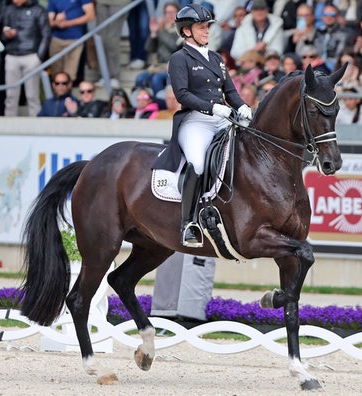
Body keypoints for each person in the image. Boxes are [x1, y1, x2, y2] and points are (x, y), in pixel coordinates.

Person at [151, 4, 252, 248]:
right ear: (186, 31)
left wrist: (242, 106)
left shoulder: (216, 58)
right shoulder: (179, 58)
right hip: (195, 121)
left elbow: (230, 91)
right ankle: (188, 223)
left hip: (222, 120)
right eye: (201, 27)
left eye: (207, 26)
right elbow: (183, 95)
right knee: (196, 163)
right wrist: (212, 107)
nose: (206, 31)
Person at [1, 0, 50, 117]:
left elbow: (46, 34)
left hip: (31, 56)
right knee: (10, 95)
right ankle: (8, 125)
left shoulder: (38, 10)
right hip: (12, 55)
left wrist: (39, 57)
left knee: (32, 95)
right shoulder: (9, 9)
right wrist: (7, 35)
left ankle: (36, 126)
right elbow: (2, 34)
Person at [134, 2, 182, 99]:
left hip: (172, 68)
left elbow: (173, 46)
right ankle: (143, 102)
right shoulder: (162, 30)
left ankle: (159, 104)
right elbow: (149, 48)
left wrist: (160, 31)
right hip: (158, 66)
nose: (170, 15)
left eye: (173, 12)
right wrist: (153, 33)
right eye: (167, 12)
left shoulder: (181, 30)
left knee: (156, 79)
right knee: (140, 78)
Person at [47, 0, 95, 81]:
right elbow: (49, 22)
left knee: (69, 76)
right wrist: (57, 22)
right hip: (56, 40)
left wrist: (68, 23)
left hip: (75, 40)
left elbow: (91, 16)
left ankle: (68, 92)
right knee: (56, 76)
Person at [93, 0, 129, 89]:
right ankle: (102, 75)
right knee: (101, 39)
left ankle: (114, 76)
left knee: (112, 39)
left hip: (119, 3)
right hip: (102, 2)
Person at [313, 3, 350, 71]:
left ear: (337, 17)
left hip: (333, 67)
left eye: (332, 14)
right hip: (317, 65)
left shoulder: (343, 34)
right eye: (325, 14)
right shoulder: (318, 32)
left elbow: (338, 55)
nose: (328, 17)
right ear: (322, 17)